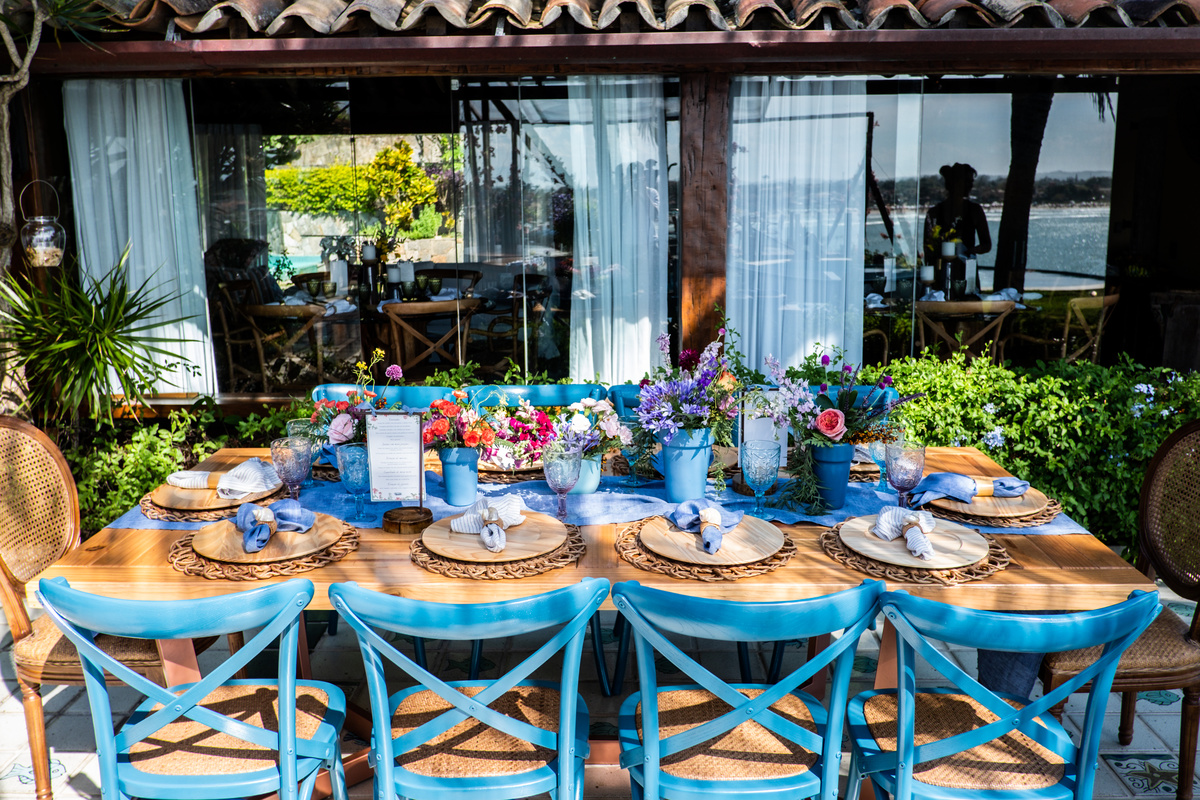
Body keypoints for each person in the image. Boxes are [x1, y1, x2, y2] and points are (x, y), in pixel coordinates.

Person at [923, 162, 992, 265]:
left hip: (966, 269)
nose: (970, 186)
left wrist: (969, 251)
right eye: (966, 181)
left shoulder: (975, 210)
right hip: (943, 270)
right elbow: (928, 248)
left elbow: (986, 244)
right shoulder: (934, 213)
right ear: (954, 183)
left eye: (971, 182)